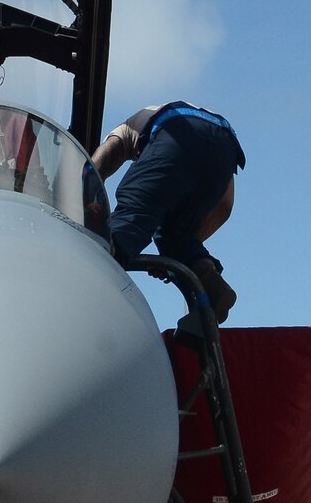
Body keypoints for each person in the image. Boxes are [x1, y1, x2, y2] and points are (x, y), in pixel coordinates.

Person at [90, 103, 245, 334]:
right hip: (226, 147)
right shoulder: (200, 127)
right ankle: (211, 288)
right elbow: (225, 206)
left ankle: (94, 295)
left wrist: (85, 194)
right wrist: (176, 258)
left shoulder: (124, 130)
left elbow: (97, 167)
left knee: (133, 213)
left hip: (179, 128)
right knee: (174, 235)